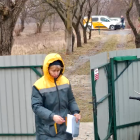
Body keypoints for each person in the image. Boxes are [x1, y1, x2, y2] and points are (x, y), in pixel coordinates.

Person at [31, 53, 81, 140]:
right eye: (53, 71)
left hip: (65, 129)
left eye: (58, 70)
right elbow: (36, 107)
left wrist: (75, 112)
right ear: (47, 69)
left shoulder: (65, 82)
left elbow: (71, 100)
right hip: (47, 131)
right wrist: (52, 116)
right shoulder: (38, 85)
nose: (56, 73)